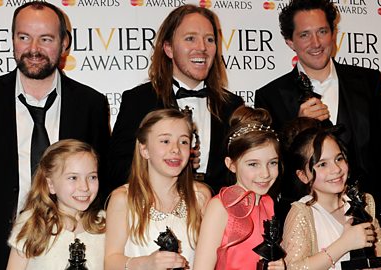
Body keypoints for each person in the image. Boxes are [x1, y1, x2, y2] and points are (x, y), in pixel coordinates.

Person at [0, 2, 110, 269]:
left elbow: (103, 179)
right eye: (24, 37)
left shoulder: (90, 103)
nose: (33, 48)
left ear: (64, 43)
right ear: (12, 38)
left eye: (45, 39)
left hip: (66, 251)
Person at [254, 0, 381, 233]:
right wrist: (297, 125)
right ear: (290, 41)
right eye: (305, 35)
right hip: (307, 230)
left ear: (333, 33)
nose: (316, 43)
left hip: (369, 224)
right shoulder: (270, 96)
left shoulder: (368, 82)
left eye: (322, 31)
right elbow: (271, 169)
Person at [107, 4, 244, 197]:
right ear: (169, 48)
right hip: (156, 214)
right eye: (190, 38)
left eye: (209, 39)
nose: (202, 48)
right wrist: (168, 165)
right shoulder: (139, 100)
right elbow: (117, 169)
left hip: (220, 218)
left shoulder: (233, 105)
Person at [104, 109, 211, 270]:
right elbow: (110, 262)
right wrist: (145, 263)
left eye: (183, 141)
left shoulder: (201, 196)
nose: (176, 149)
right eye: (165, 141)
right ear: (144, 150)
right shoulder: (123, 198)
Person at [281, 124, 381, 269]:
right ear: (303, 176)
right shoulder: (303, 213)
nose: (336, 169)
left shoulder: (360, 201)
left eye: (339, 159)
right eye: (322, 164)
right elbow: (294, 267)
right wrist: (345, 243)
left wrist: (378, 262)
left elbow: (380, 241)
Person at [193, 107, 285, 270]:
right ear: (231, 165)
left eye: (272, 163)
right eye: (253, 164)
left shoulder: (268, 203)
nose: (265, 173)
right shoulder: (221, 206)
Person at [6, 139, 105, 269]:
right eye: (73, 178)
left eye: (92, 177)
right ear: (50, 184)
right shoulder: (32, 223)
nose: (84, 187)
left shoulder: (105, 222)